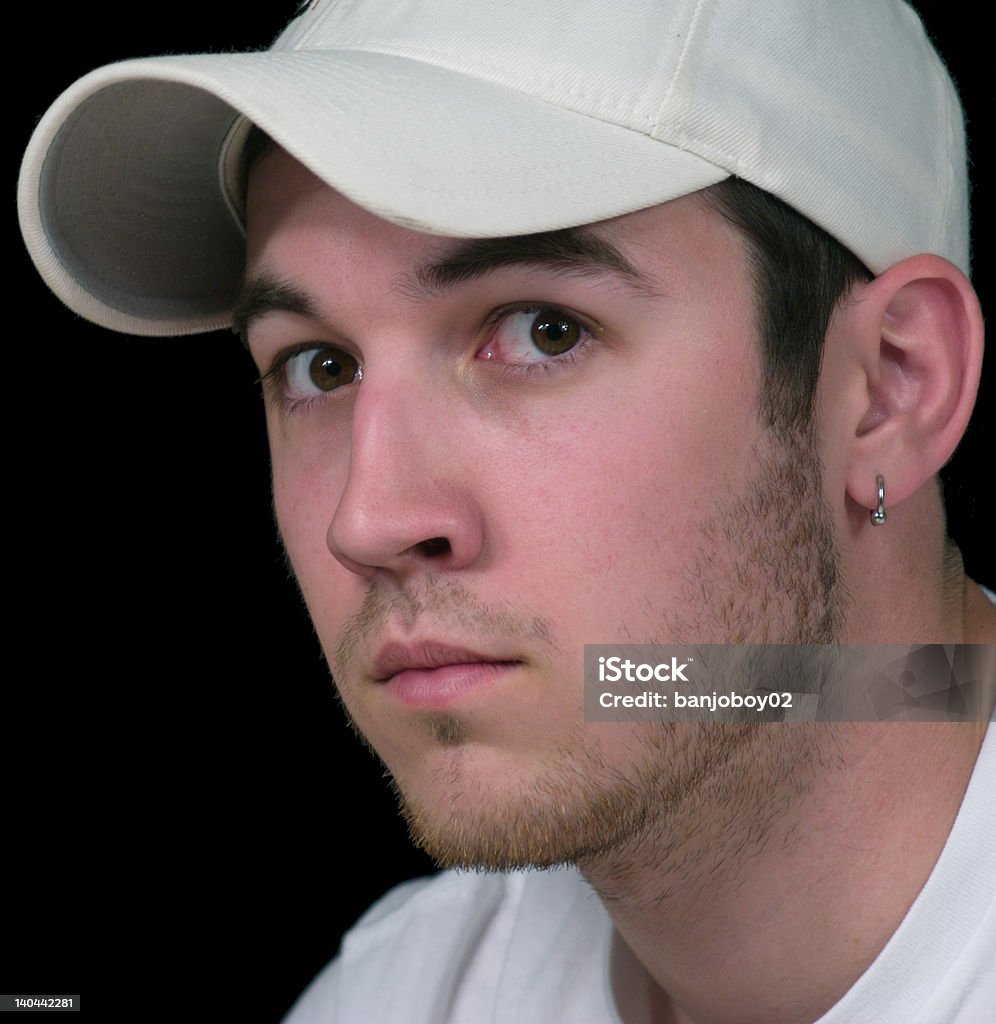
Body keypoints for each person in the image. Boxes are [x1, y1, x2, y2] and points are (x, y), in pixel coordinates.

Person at [17, 1, 994, 1022]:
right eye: (322, 365)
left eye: (542, 331)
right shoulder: (410, 992)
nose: (371, 516)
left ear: (889, 388)